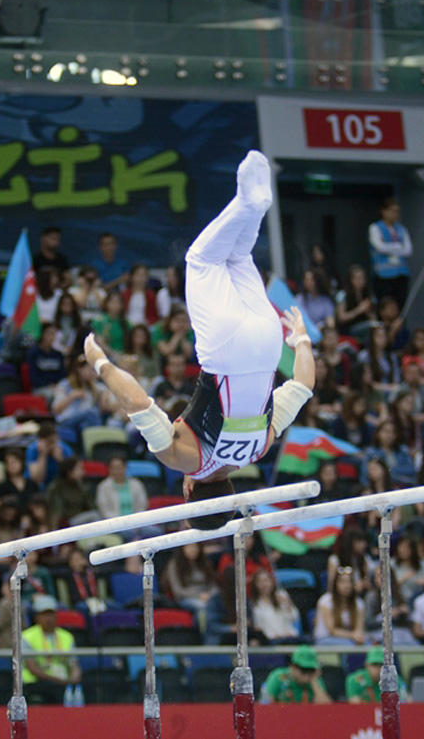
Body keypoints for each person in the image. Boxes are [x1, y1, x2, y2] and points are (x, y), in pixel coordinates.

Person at [83, 152, 315, 530]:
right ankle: (247, 202)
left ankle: (255, 209)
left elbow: (303, 385)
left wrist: (301, 340)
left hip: (271, 344)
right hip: (225, 352)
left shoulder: (260, 448)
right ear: (188, 490)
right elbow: (138, 404)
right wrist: (99, 362)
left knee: (238, 257)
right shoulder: (186, 460)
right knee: (201, 260)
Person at [18, 594, 81, 705]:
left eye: (51, 614)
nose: (48, 618)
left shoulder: (67, 636)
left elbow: (74, 664)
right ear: (37, 617)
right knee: (54, 689)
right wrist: (58, 681)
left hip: (62, 681)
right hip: (36, 682)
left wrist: (74, 678)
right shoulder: (27, 637)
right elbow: (32, 668)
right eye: (44, 614)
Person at [165, 543, 222, 639]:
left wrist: (209, 595)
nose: (193, 549)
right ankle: (203, 638)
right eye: (189, 547)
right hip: (186, 598)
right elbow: (178, 591)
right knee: (202, 608)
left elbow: (214, 586)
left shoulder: (205, 563)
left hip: (208, 597)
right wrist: (199, 596)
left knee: (217, 604)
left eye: (195, 547)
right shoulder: (174, 565)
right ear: (182, 548)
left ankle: (218, 635)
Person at [368, 197, 411, 305]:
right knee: (385, 305)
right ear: (384, 211)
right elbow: (379, 247)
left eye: (397, 212)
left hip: (401, 274)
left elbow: (408, 251)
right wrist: (397, 246)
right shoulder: (375, 228)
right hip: (383, 275)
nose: (395, 214)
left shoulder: (401, 229)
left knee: (400, 305)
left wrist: (389, 248)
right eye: (392, 211)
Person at [262, 646, 331, 704]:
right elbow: (266, 705)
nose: (307, 675)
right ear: (293, 667)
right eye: (304, 670)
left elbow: (326, 710)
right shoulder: (278, 677)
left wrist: (314, 682)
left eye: (311, 670)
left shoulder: (315, 680)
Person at [315, 567, 365, 646]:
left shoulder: (359, 603)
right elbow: (332, 630)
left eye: (349, 582)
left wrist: (358, 637)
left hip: (349, 639)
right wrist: (352, 635)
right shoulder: (325, 601)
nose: (347, 585)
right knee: (349, 646)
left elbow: (359, 629)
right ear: (335, 584)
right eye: (343, 582)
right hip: (326, 639)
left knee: (367, 645)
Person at [250, 568, 300, 643]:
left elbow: (294, 617)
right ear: (255, 585)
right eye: (260, 582)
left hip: (289, 637)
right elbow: (258, 626)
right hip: (271, 640)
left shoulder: (282, 596)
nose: (264, 584)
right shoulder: (254, 605)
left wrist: (288, 603)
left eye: (266, 580)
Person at [95, 457, 149, 523]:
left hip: (137, 521)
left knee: (155, 531)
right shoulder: (103, 487)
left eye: (120, 467)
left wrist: (136, 521)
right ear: (109, 469)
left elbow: (142, 505)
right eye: (114, 468)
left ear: (125, 468)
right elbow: (104, 510)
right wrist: (121, 522)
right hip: (115, 523)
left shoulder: (136, 484)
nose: (117, 471)